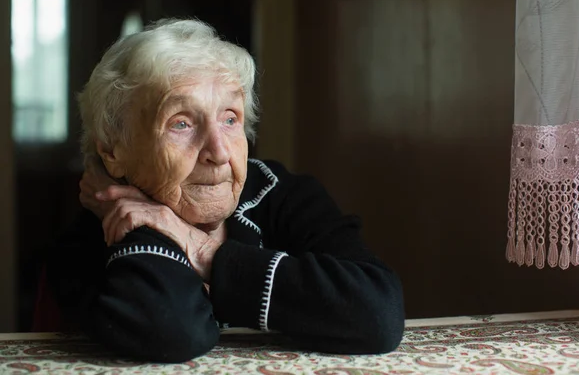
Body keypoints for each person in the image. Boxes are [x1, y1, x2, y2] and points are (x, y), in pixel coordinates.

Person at [45, 18, 405, 363]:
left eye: (230, 118)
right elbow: (172, 332)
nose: (218, 152)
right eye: (181, 124)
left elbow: (377, 314)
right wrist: (142, 222)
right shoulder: (93, 240)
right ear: (113, 151)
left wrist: (202, 249)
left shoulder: (277, 192)